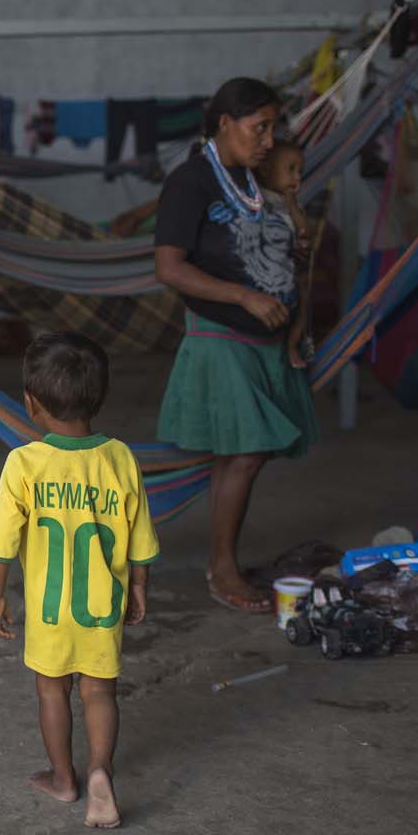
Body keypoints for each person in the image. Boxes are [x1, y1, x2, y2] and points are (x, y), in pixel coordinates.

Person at [153, 78, 319, 612]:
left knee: (246, 455)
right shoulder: (191, 183)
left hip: (266, 340)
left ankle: (222, 560)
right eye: (259, 127)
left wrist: (293, 314)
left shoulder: (253, 180)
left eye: (273, 127)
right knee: (245, 454)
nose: (269, 140)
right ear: (225, 123)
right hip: (221, 337)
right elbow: (169, 267)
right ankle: (223, 569)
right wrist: (244, 296)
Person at [0, 332, 157, 829]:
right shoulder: (120, 457)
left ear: (30, 403)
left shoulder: (24, 463)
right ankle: (101, 769)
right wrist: (140, 585)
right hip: (104, 605)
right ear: (98, 398)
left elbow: (1, 540)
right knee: (101, 693)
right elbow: (140, 532)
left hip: (49, 610)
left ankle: (64, 778)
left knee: (51, 692)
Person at [254, 139, 314, 366]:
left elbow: (305, 231)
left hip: (290, 272)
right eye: (290, 170)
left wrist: (291, 204)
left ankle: (291, 347)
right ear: (266, 170)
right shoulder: (258, 198)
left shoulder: (290, 203)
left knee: (303, 303)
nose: (297, 177)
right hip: (267, 274)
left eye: (300, 172)